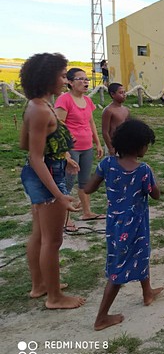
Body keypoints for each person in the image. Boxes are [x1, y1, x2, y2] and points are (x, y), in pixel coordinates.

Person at [19, 52, 85, 309]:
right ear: (48, 78)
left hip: (46, 170)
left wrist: (62, 156)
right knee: (52, 240)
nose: (65, 79)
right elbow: (36, 157)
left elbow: (26, 144)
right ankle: (55, 298)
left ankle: (40, 285)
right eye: (61, 75)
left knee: (39, 234)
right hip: (46, 175)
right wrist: (60, 195)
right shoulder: (40, 110)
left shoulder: (37, 105)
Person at [84, 119, 163, 331]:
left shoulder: (107, 164)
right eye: (146, 145)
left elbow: (89, 188)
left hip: (115, 225)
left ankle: (147, 293)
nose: (147, 148)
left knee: (141, 254)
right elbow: (156, 195)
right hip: (135, 226)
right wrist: (154, 180)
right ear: (138, 147)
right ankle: (101, 317)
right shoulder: (143, 170)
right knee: (119, 270)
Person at [55, 67, 104, 231]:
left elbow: (91, 123)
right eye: (80, 79)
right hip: (71, 149)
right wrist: (65, 151)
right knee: (67, 183)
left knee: (84, 182)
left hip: (87, 146)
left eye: (86, 79)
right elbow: (58, 126)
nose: (85, 82)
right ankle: (64, 219)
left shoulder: (88, 101)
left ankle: (87, 212)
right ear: (70, 82)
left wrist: (97, 142)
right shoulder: (64, 100)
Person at [102, 83, 130, 156]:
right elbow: (105, 132)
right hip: (114, 144)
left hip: (125, 144)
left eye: (124, 92)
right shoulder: (109, 111)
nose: (124, 95)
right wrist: (111, 148)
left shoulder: (126, 110)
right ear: (113, 94)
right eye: (121, 93)